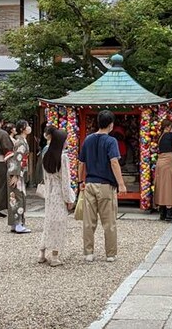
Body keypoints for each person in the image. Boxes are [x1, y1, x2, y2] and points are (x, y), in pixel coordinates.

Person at [78, 110, 127, 263]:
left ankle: (88, 253)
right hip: (106, 185)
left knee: (89, 221)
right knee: (109, 222)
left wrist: (80, 181)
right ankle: (110, 254)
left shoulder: (88, 139)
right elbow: (114, 162)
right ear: (111, 125)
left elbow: (81, 163)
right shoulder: (111, 141)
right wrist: (121, 184)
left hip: (89, 184)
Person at [38, 128, 75, 267]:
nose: (67, 142)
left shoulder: (46, 154)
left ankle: (41, 253)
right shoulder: (63, 157)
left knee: (48, 222)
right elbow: (66, 181)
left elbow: (45, 177)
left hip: (50, 191)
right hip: (59, 193)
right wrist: (69, 199)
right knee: (59, 224)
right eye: (65, 139)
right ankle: (54, 256)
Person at [7, 120, 32, 233]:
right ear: (22, 128)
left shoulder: (21, 140)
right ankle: (18, 224)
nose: (29, 128)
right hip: (17, 172)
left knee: (15, 197)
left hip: (19, 171)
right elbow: (18, 158)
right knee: (18, 197)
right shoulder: (21, 142)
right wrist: (15, 174)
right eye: (27, 126)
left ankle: (15, 223)